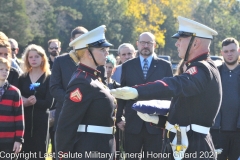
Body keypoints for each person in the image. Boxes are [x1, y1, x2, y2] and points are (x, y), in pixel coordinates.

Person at [111, 16, 222, 160]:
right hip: (186, 142)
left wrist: (137, 91)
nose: (176, 44)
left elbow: (175, 85)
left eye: (180, 40)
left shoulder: (202, 69)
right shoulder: (200, 67)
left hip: (193, 147)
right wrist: (160, 121)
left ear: (196, 43)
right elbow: (189, 113)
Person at [55, 25, 116, 160]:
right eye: (102, 49)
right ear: (88, 53)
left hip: (101, 148)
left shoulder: (93, 78)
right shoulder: (81, 82)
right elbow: (66, 124)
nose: (107, 53)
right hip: (89, 150)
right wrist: (63, 155)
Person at [116, 32, 173, 160]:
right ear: (138, 44)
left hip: (155, 124)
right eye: (143, 43)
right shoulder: (127, 66)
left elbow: (169, 96)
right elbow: (122, 94)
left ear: (155, 45)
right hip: (132, 123)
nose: (145, 46)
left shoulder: (164, 66)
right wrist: (119, 117)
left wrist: (166, 121)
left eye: (149, 43)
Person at [49, 26, 88, 157]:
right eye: (78, 39)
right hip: (64, 115)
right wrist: (71, 100)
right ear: (71, 40)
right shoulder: (60, 61)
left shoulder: (94, 60)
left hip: (88, 117)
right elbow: (54, 87)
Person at [18, 44, 53, 160]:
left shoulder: (49, 78)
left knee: (38, 154)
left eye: (36, 56)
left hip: (41, 122)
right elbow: (17, 97)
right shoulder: (22, 78)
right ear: (27, 59)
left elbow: (49, 103)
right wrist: (26, 101)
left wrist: (36, 102)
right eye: (30, 57)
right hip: (24, 121)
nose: (33, 59)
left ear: (42, 58)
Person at [211, 37, 240, 160]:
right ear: (221, 53)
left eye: (232, 50)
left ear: (238, 51)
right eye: (226, 51)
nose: (229, 54)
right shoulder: (215, 73)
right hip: (218, 131)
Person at [0, 57, 24, 159]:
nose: (4, 72)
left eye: (7, 69)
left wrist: (19, 139)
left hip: (8, 141)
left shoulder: (14, 92)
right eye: (1, 69)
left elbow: (19, 117)